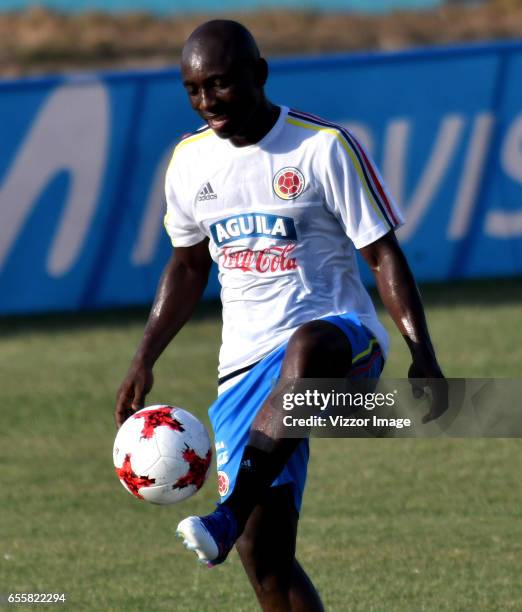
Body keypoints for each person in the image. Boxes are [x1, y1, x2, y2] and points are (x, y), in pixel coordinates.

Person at [115, 19, 447, 611]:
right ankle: (235, 523)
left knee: (307, 344)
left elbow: (381, 253)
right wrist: (144, 358)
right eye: (193, 89)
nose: (207, 101)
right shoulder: (190, 162)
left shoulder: (322, 147)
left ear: (258, 74)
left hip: (343, 344)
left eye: (219, 84)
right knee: (265, 561)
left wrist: (423, 354)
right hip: (246, 371)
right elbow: (188, 267)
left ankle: (227, 513)